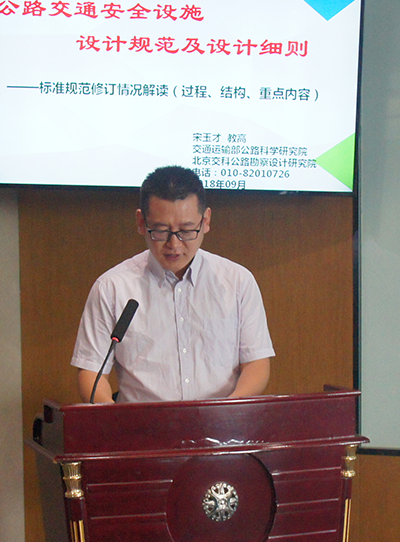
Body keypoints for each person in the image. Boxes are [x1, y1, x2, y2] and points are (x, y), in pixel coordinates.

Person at [72, 165, 274, 403]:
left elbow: (256, 364)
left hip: (221, 423)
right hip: (141, 425)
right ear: (141, 222)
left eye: (186, 230)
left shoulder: (238, 282)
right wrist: (116, 419)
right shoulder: (112, 288)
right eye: (160, 231)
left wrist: (226, 412)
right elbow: (91, 372)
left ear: (206, 221)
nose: (174, 245)